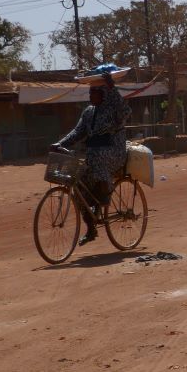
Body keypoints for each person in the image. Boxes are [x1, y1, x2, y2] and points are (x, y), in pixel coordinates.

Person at [51, 66, 131, 245]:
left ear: (103, 92)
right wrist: (60, 144)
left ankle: (105, 193)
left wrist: (112, 88)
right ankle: (91, 228)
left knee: (95, 159)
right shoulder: (88, 113)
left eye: (94, 91)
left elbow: (126, 112)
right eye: (89, 91)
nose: (90, 95)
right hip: (95, 156)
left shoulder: (113, 109)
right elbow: (77, 132)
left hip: (114, 153)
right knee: (78, 186)